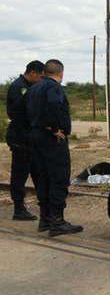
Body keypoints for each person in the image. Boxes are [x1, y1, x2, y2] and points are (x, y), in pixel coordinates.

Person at [26, 59, 83, 236]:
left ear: (44, 72)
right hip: (52, 140)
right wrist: (55, 128)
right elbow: (53, 107)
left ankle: (45, 219)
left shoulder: (33, 88)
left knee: (42, 178)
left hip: (35, 137)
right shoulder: (53, 87)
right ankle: (57, 221)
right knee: (58, 177)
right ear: (61, 73)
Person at [6, 61, 45, 220]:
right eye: (41, 76)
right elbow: (18, 114)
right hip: (20, 138)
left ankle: (42, 204)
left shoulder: (29, 86)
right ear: (33, 73)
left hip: (29, 138)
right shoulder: (19, 87)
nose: (42, 79)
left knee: (37, 171)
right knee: (20, 174)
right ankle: (18, 208)